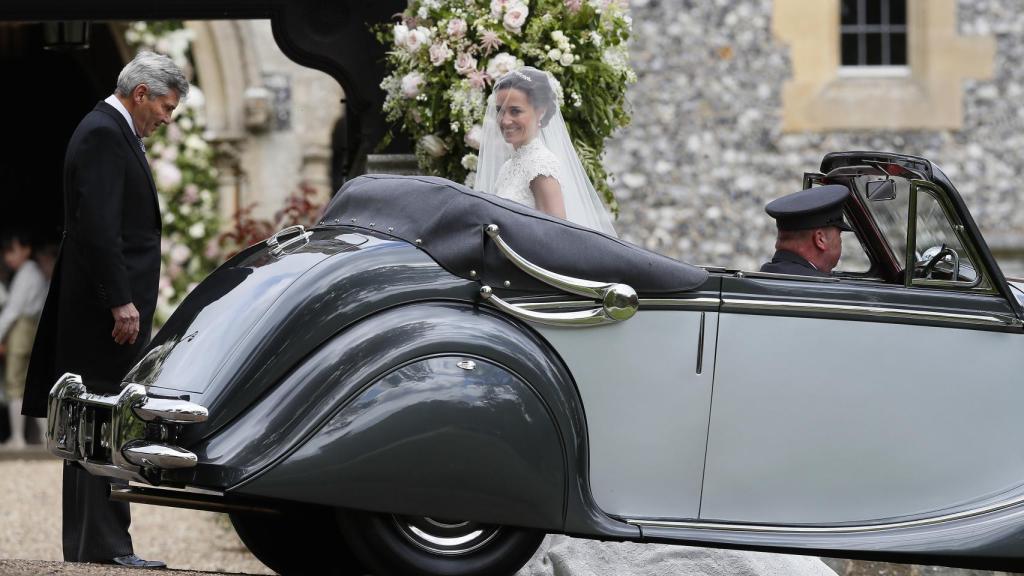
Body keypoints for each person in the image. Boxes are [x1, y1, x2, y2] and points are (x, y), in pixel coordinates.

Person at [22, 50, 188, 569]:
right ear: (140, 94)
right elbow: (97, 227)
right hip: (103, 315)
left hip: (101, 310)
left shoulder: (111, 131)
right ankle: (106, 546)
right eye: (165, 105)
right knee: (104, 424)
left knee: (93, 425)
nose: (167, 117)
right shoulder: (103, 133)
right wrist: (121, 301)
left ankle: (94, 546)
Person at [475, 66, 617, 236]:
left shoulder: (540, 166)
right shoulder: (508, 167)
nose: (505, 121)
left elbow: (555, 237)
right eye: (500, 110)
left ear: (540, 112)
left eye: (515, 111)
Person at [0, 231, 46, 449]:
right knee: (30, 383)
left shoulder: (26, 274)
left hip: (21, 328)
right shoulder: (34, 272)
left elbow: (12, 310)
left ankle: (18, 437)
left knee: (15, 382)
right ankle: (44, 436)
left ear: (26, 250)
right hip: (31, 328)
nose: (8, 257)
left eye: (12, 251)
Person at [760, 185, 852, 277]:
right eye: (839, 235)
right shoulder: (820, 287)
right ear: (820, 239)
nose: (840, 241)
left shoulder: (764, 275)